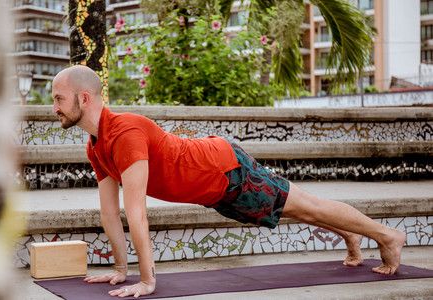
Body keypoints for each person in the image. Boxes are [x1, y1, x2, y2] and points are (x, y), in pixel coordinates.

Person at [51, 65, 406, 298]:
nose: (54, 107)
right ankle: (350, 234)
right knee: (295, 211)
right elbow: (110, 214)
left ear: (84, 98)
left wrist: (146, 280)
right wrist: (118, 269)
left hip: (226, 171)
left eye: (59, 99)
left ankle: (388, 236)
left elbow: (136, 213)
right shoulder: (96, 145)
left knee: (306, 207)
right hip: (213, 189)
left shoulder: (124, 133)